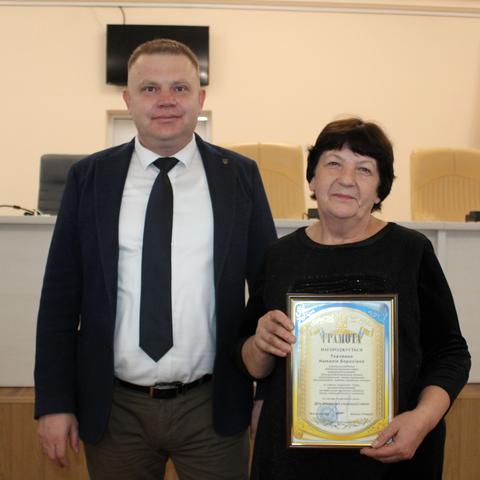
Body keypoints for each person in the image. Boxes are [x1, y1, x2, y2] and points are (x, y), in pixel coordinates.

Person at [34, 39, 276, 480]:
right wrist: (54, 402)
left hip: (214, 404)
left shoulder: (239, 175)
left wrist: (268, 393)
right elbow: (59, 299)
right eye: (150, 88)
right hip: (115, 410)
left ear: (200, 98)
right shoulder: (88, 178)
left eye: (180, 88)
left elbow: (267, 291)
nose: (166, 100)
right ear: (128, 100)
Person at [240, 118, 471, 479]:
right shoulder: (278, 257)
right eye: (334, 163)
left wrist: (423, 419)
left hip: (392, 455)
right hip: (293, 460)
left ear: (380, 190)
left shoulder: (411, 251)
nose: (346, 179)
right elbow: (251, 362)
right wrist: (260, 343)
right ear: (312, 179)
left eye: (364, 169)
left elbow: (451, 353)